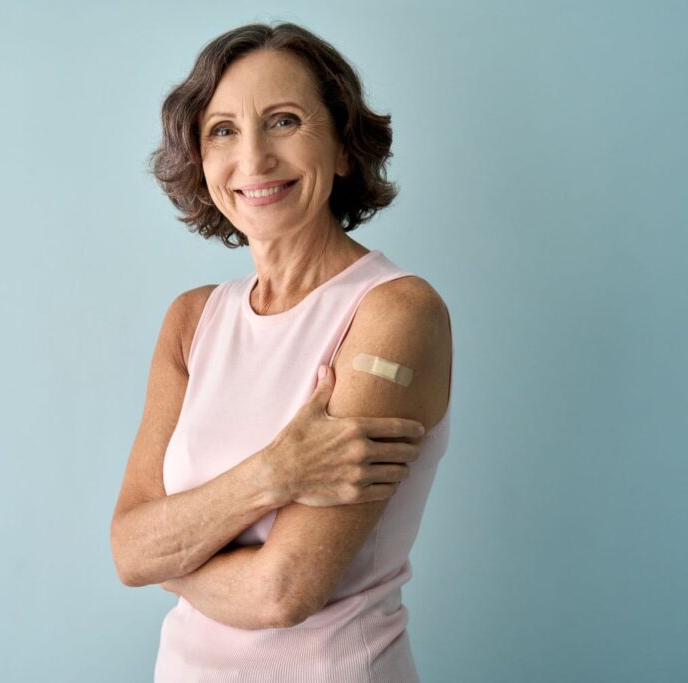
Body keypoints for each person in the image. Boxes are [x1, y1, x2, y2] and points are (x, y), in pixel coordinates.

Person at [110, 21, 453, 682]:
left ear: (346, 147)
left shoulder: (395, 314)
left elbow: (283, 591)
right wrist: (276, 471)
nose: (255, 159)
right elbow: (127, 548)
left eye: (284, 121)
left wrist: (174, 557)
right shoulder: (191, 320)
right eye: (223, 130)